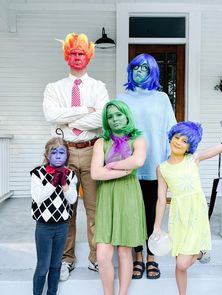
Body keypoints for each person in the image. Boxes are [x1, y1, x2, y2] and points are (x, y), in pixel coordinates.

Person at [43, 32, 109, 280]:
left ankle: (96, 257)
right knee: (65, 208)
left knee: (94, 208)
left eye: (81, 53)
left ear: (88, 57)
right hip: (64, 151)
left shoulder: (98, 87)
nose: (77, 57)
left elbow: (101, 117)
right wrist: (85, 110)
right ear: (66, 57)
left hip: (93, 150)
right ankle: (66, 258)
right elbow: (51, 115)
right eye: (73, 53)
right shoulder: (54, 88)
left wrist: (68, 117)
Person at [153, 121, 222, 295]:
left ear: (189, 146)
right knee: (179, 264)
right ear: (170, 138)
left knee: (182, 263)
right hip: (178, 216)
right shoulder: (162, 169)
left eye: (184, 141)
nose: (178, 142)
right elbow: (161, 200)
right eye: (176, 137)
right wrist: (157, 226)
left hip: (196, 214)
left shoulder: (193, 158)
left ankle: (199, 253)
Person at [117, 53, 176, 279]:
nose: (139, 71)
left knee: (152, 212)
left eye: (144, 68)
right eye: (135, 67)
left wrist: (171, 161)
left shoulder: (161, 98)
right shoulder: (122, 97)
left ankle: (152, 257)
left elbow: (171, 129)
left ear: (152, 71)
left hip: (154, 164)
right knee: (133, 213)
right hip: (129, 165)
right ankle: (138, 257)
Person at [91, 100, 147, 295]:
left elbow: (138, 160)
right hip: (107, 197)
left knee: (124, 251)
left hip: (129, 196)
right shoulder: (101, 142)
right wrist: (125, 170)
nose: (114, 119)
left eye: (118, 115)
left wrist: (111, 166)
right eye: (110, 116)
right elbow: (96, 174)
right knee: (103, 254)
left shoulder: (138, 140)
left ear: (126, 116)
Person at [30, 137, 78, 295]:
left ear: (67, 156)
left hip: (62, 226)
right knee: (43, 265)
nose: (58, 156)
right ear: (47, 155)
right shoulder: (38, 173)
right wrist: (52, 183)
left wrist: (64, 185)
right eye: (54, 152)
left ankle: (52, 292)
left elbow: (72, 199)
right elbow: (38, 197)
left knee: (56, 265)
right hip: (44, 227)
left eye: (62, 152)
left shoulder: (70, 175)